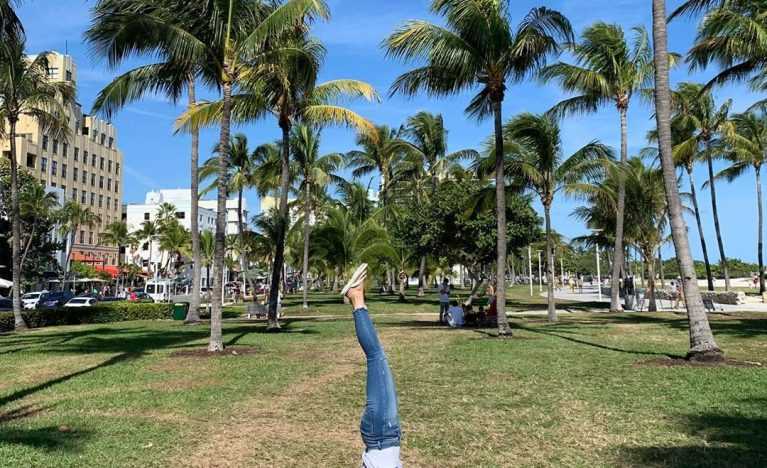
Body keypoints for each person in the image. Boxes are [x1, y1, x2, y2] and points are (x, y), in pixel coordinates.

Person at [341, 264, 402, 468]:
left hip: (382, 433)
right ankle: (356, 298)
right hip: (382, 435)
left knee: (376, 357)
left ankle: (356, 297)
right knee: (377, 357)